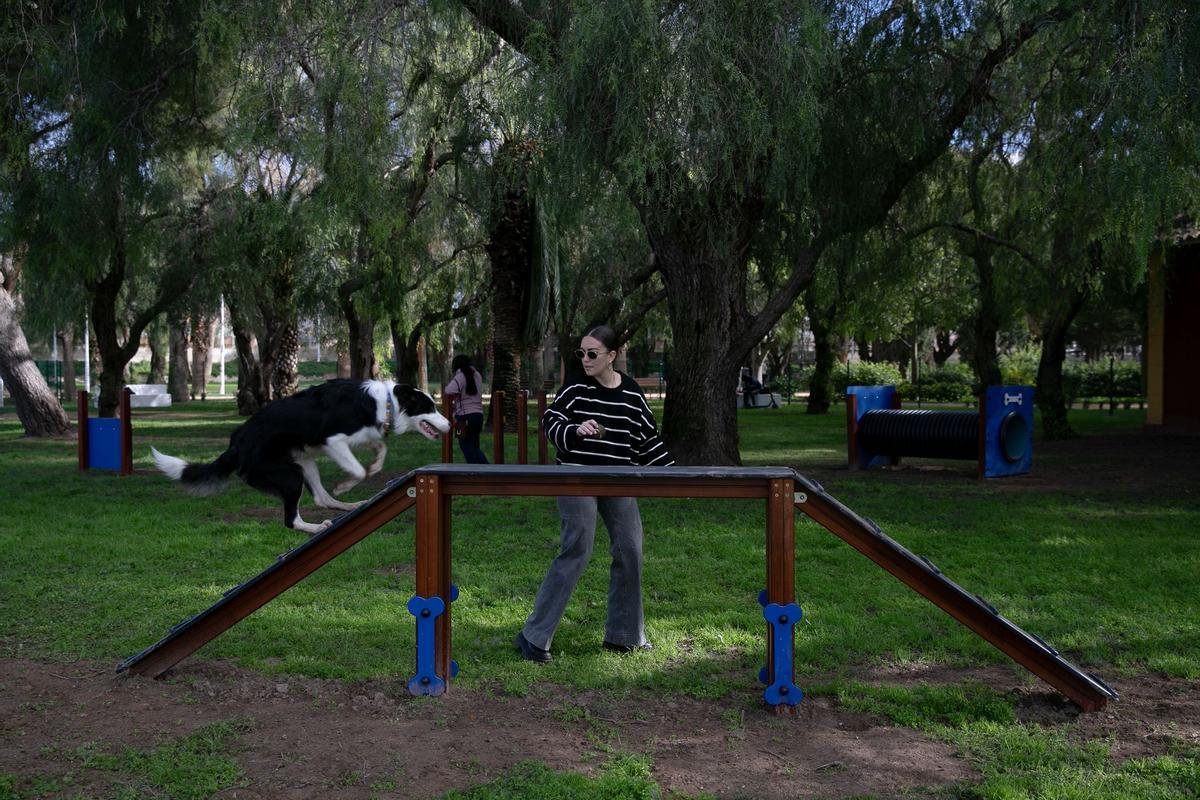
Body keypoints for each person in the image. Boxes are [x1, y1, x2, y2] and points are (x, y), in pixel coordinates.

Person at [515, 325, 673, 663]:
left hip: (619, 479)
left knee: (630, 551)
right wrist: (574, 429)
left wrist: (677, 477)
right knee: (577, 549)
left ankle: (624, 637)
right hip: (576, 478)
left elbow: (647, 441)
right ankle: (534, 636)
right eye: (581, 353)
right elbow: (550, 422)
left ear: (611, 356)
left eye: (592, 353)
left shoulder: (631, 393)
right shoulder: (575, 389)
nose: (585, 359)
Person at [444, 355, 489, 464]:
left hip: (462, 417)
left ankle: (474, 469)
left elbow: (448, 390)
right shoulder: (477, 375)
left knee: (464, 444)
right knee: (475, 445)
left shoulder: (460, 376)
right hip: (478, 416)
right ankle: (486, 468)